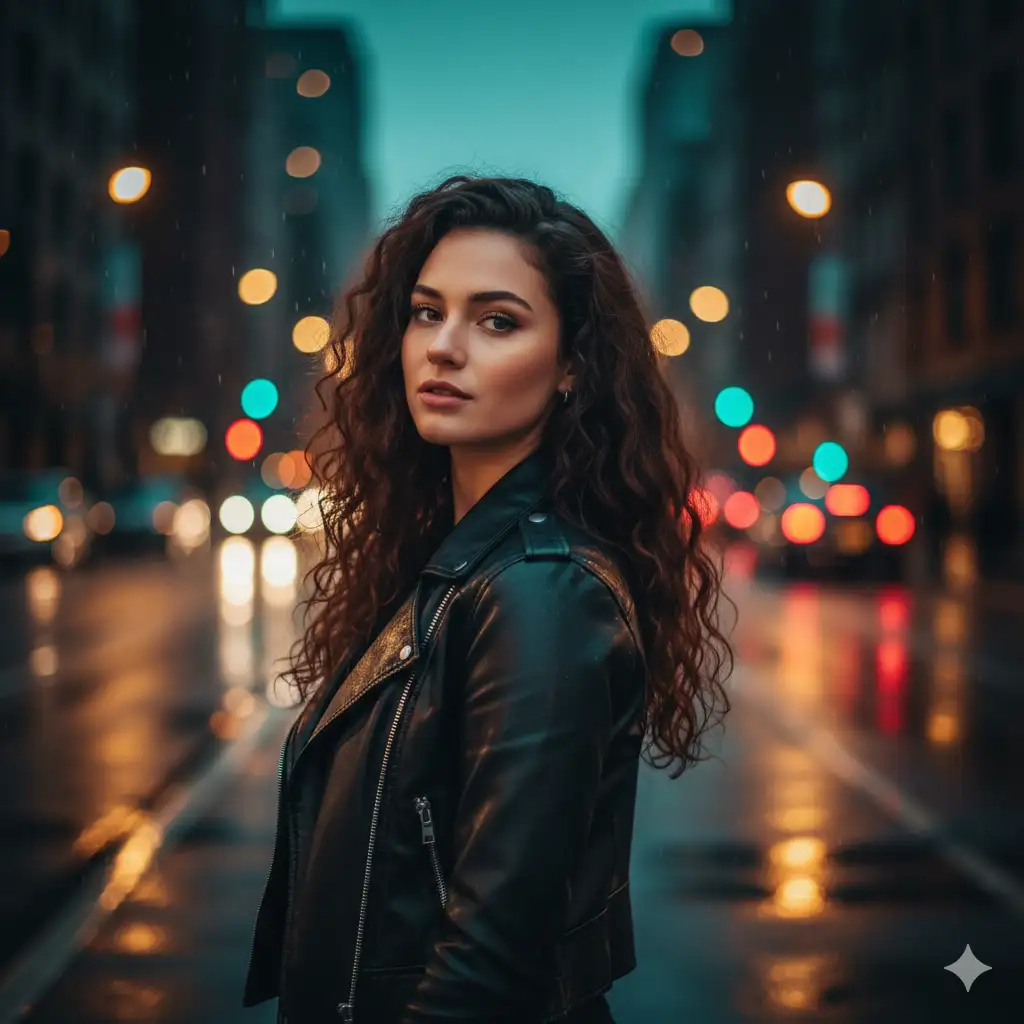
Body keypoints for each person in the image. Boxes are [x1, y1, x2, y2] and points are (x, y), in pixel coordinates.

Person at [243, 176, 732, 1023]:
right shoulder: (454, 566)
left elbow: (491, 967)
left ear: (575, 364)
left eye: (497, 320)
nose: (443, 346)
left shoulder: (541, 592)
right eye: (426, 312)